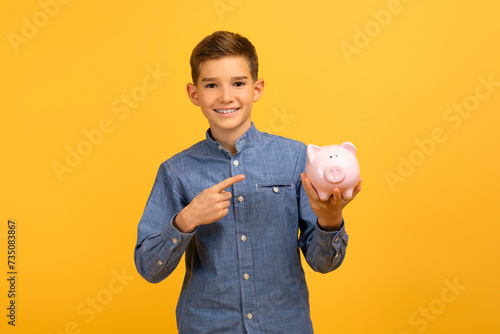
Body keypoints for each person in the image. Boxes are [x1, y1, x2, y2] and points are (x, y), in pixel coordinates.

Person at [134, 30, 361, 333]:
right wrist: (187, 219)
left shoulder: (296, 159)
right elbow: (150, 268)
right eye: (211, 85)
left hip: (285, 325)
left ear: (257, 88)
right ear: (194, 93)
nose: (226, 96)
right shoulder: (176, 171)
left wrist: (331, 219)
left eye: (238, 83)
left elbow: (324, 264)